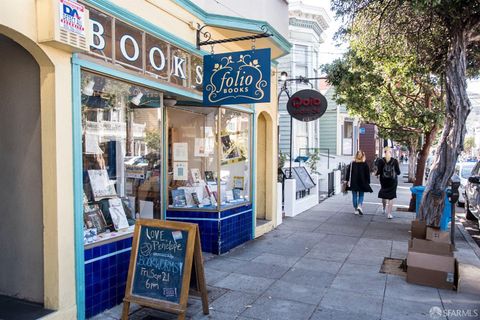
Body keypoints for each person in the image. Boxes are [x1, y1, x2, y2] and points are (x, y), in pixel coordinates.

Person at [376, 147, 401, 219]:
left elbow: (379, 172)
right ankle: (389, 214)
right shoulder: (395, 161)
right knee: (391, 197)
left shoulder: (381, 161)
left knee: (384, 194)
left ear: (384, 152)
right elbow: (398, 172)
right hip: (393, 181)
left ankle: (383, 208)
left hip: (383, 180)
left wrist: (376, 174)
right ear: (391, 152)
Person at [346, 150, 373, 215]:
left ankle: (356, 209)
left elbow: (348, 172)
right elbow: (367, 174)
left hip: (353, 182)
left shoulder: (352, 163)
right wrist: (368, 182)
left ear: (356, 155)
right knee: (361, 195)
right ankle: (359, 205)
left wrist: (347, 180)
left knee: (354, 195)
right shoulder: (365, 164)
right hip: (362, 182)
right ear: (362, 156)